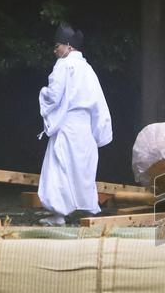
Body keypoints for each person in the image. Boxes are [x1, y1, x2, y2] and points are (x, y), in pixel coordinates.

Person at [37, 24, 113, 226]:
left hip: (68, 125)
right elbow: (99, 102)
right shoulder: (88, 69)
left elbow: (54, 95)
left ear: (69, 46)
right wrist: (99, 131)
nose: (55, 51)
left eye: (58, 46)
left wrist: (42, 93)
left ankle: (59, 214)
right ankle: (87, 209)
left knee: (58, 168)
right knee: (82, 169)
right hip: (84, 128)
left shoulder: (64, 65)